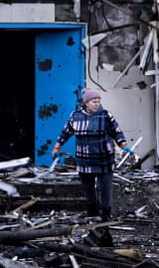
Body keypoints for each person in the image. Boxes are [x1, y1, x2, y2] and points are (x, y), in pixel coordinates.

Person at [51, 88, 132, 222]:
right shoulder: (75, 116)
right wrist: (58, 144)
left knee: (104, 187)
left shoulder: (106, 115)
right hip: (84, 159)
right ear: (86, 102)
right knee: (88, 187)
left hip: (103, 158)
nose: (97, 104)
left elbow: (116, 131)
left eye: (98, 101)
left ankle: (106, 213)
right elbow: (66, 132)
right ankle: (92, 211)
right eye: (94, 101)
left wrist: (123, 144)